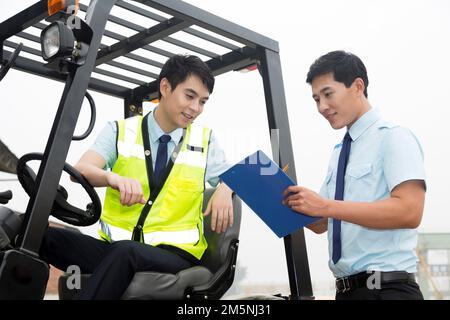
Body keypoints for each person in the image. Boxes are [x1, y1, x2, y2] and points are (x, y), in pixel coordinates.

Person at [39, 54, 234, 300]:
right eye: (190, 96)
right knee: (40, 234)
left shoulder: (204, 141)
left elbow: (237, 176)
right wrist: (113, 179)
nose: (196, 108)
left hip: (176, 256)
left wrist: (226, 189)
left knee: (126, 253)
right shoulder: (120, 130)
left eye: (203, 101)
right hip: (117, 250)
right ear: (165, 87)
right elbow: (81, 171)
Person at [283, 50, 426, 300]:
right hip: (348, 292)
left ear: (358, 86)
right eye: (316, 99)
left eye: (328, 94)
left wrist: (326, 205)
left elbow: (410, 211)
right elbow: (321, 223)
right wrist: (286, 202)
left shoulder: (393, 137)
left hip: (387, 290)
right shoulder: (339, 152)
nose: (322, 107)